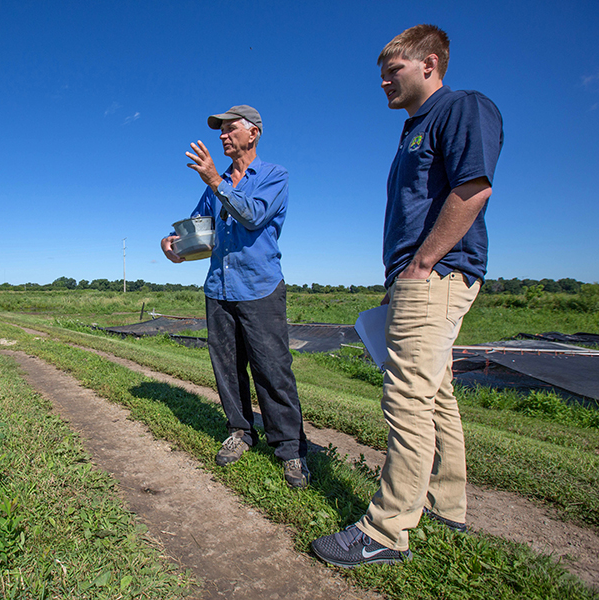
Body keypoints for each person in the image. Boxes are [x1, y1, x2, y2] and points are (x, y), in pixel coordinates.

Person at [311, 25, 504, 567]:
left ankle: (385, 530)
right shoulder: (411, 130)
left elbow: (473, 188)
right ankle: (447, 505)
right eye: (381, 75)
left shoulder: (461, 107)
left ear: (430, 63)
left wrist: (422, 263)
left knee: (406, 399)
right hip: (416, 279)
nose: (383, 83)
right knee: (436, 394)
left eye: (392, 71)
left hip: (435, 275)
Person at [161, 105, 310, 488]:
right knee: (227, 367)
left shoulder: (274, 177)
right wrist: (174, 245)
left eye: (231, 129)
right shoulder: (215, 185)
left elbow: (253, 216)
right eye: (220, 131)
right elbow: (201, 235)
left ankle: (290, 450)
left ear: (253, 133)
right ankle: (241, 431)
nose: (224, 136)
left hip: (259, 287)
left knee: (272, 369)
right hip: (219, 289)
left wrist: (215, 181)